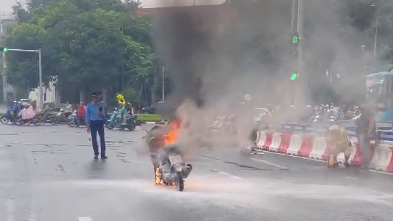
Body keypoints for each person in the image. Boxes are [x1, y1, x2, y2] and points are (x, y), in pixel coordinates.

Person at [86, 92, 107, 159]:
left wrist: (101, 114)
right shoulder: (89, 106)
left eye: (97, 98)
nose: (96, 99)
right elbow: (87, 116)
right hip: (93, 123)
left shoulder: (101, 105)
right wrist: (87, 125)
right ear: (93, 98)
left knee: (102, 139)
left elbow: (104, 116)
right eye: (95, 97)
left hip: (100, 123)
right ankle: (96, 153)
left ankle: (103, 154)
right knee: (94, 139)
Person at [355, 102, 375, 169]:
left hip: (365, 133)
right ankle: (365, 163)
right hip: (362, 133)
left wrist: (369, 132)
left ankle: (366, 164)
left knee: (365, 149)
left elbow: (371, 123)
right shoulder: (362, 114)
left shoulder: (368, 114)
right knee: (363, 148)